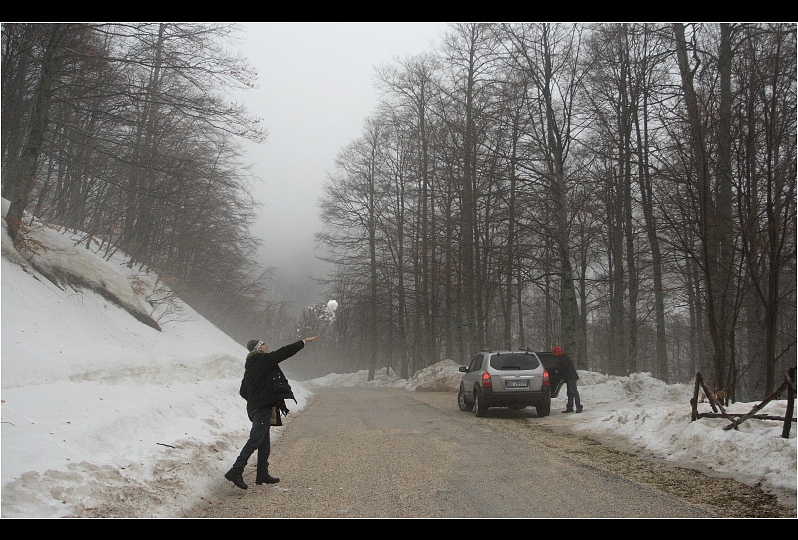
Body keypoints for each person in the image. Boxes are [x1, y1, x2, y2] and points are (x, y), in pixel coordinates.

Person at [224, 334, 320, 490]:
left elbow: (243, 391)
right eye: (263, 344)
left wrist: (257, 397)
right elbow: (284, 352)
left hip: (257, 408)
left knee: (264, 442)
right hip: (262, 408)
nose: (266, 346)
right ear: (258, 349)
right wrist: (303, 342)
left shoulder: (250, 366)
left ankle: (262, 474)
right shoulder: (263, 360)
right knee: (255, 439)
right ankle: (236, 470)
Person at [553, 345, 582, 414]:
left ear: (557, 352)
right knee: (570, 393)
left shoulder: (562, 358)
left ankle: (578, 407)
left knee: (574, 392)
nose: (554, 354)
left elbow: (564, 367)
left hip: (571, 377)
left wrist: (557, 371)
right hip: (570, 377)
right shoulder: (563, 357)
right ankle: (570, 407)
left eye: (554, 352)